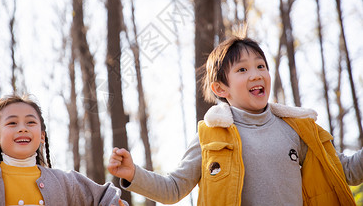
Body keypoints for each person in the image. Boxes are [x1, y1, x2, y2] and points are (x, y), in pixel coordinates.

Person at [108, 34, 363, 206]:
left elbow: (347, 171)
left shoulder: (297, 128)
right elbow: (174, 188)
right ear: (221, 89)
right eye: (242, 69)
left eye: (261, 66)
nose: (255, 74)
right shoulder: (212, 135)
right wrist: (133, 174)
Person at [0, 94, 127, 206]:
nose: (23, 128)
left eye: (30, 122)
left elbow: (107, 197)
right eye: (12, 123)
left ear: (42, 136)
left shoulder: (66, 182)